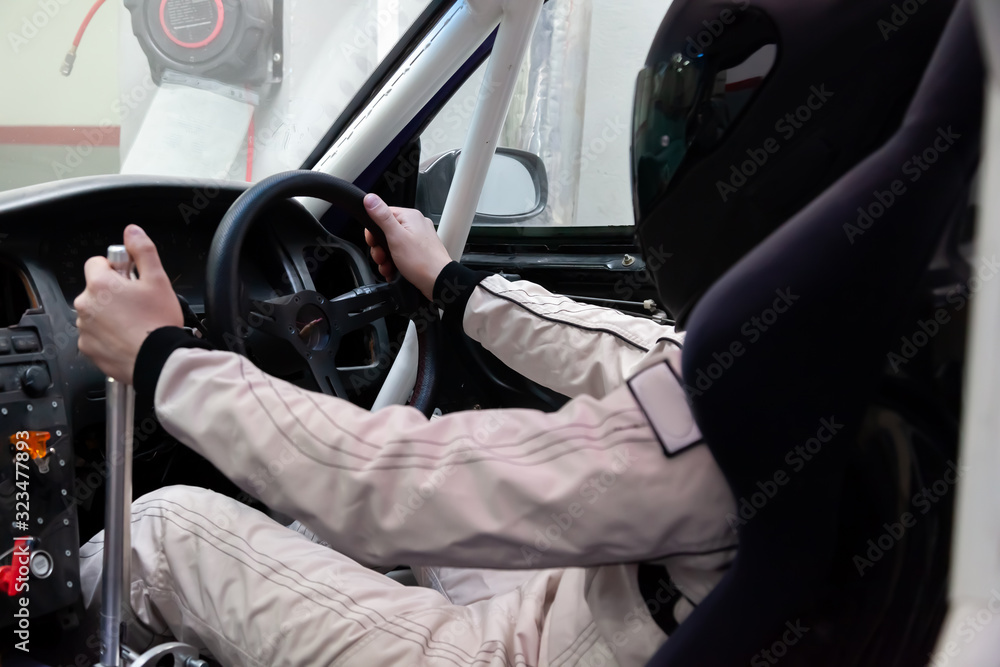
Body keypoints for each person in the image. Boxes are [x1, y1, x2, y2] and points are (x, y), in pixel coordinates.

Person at [75, 201, 736, 667]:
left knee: (159, 535)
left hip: (517, 653)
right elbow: (637, 350)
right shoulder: (780, 364)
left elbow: (390, 482)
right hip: (576, 609)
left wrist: (163, 358)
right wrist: (455, 287)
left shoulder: (731, 420)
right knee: (424, 435)